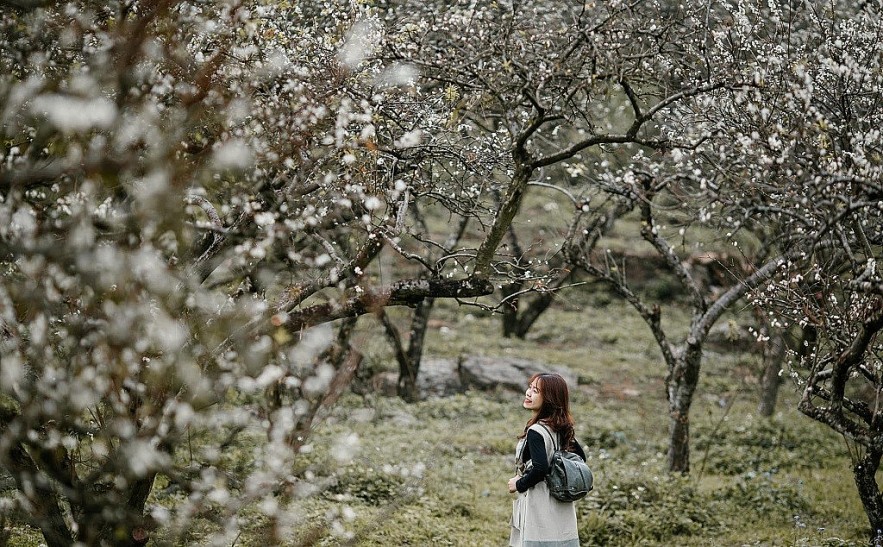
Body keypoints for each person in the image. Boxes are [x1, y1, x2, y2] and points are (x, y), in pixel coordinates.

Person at [508, 372, 586, 547]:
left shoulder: (537, 431)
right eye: (530, 387)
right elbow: (580, 458)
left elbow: (540, 468)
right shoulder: (560, 428)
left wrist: (518, 483)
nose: (528, 393)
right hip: (561, 505)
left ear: (549, 399)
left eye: (535, 391)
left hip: (539, 504)